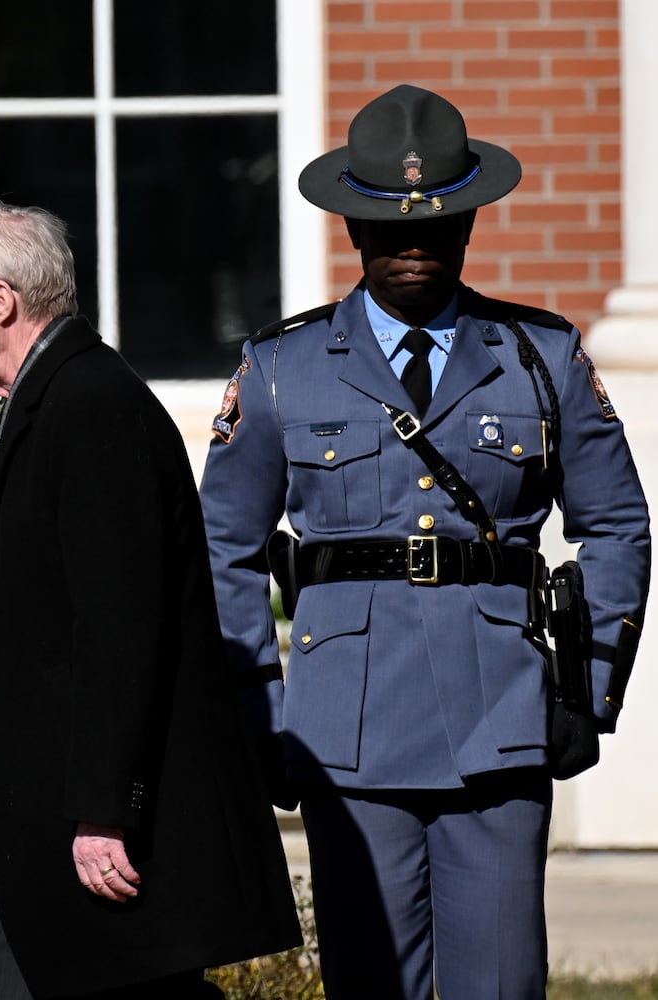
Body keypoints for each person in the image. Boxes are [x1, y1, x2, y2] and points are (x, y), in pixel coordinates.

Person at [200, 84, 650, 997]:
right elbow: (224, 548)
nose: (412, 244)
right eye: (385, 224)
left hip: (500, 715)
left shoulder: (541, 355)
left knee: (501, 982)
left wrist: (584, 689)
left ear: (471, 224)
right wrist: (258, 713)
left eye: (436, 223)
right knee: (371, 983)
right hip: (342, 728)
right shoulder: (281, 368)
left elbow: (616, 527)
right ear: (352, 229)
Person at [0, 201, 301, 1000]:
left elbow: (121, 628)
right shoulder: (50, 398)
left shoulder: (89, 407)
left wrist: (102, 813)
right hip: (36, 829)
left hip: (86, 841)